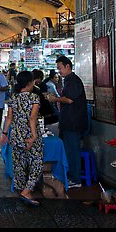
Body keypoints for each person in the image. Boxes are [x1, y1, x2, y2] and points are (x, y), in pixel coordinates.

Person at [0, 70, 43, 206]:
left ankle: (22, 190)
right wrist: (34, 136)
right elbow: (32, 118)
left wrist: (5, 134)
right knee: (37, 163)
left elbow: (9, 118)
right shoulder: (34, 98)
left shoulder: (13, 98)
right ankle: (27, 190)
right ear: (30, 82)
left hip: (16, 135)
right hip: (29, 135)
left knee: (19, 164)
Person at [47, 55, 88, 189]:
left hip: (73, 122)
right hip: (68, 121)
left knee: (73, 151)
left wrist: (55, 100)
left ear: (67, 66)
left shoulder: (73, 81)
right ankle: (69, 176)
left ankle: (75, 179)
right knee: (68, 150)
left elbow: (69, 100)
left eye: (60, 68)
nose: (58, 71)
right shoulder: (68, 80)